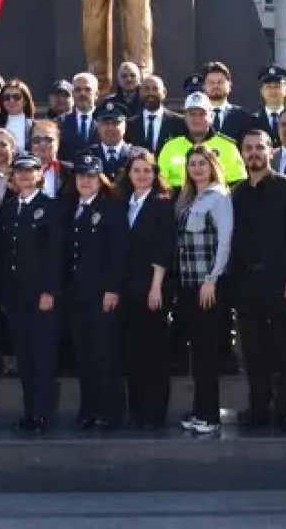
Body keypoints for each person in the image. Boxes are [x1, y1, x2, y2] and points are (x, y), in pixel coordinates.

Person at [230, 129, 286, 432]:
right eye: (247, 148)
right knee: (253, 351)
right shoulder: (236, 192)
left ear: (270, 151)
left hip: (280, 281)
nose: (253, 153)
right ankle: (259, 408)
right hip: (247, 283)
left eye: (259, 147)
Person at [0, 153, 64, 434]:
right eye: (19, 171)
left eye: (31, 171)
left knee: (43, 356)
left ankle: (42, 414)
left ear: (41, 174)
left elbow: (55, 254)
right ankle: (29, 412)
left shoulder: (51, 207)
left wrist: (49, 290)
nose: (24, 176)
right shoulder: (10, 207)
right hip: (16, 294)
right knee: (24, 357)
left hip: (41, 294)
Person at [63, 153, 128, 429]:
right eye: (81, 176)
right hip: (77, 294)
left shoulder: (111, 208)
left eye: (91, 176)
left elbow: (119, 253)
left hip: (103, 294)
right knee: (84, 354)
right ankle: (88, 409)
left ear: (100, 180)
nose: (85, 181)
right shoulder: (70, 208)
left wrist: (113, 288)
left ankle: (110, 411)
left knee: (105, 354)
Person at [173, 145, 234, 435]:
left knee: (207, 353)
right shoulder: (188, 198)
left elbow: (225, 240)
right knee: (197, 353)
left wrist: (213, 278)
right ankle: (199, 409)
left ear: (212, 166)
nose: (197, 168)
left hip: (207, 285)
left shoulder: (219, 197)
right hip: (187, 286)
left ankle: (210, 415)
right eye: (192, 163)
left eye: (202, 163)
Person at [116, 148, 175, 430]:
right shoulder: (124, 203)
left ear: (155, 175)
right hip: (128, 288)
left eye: (147, 171)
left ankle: (155, 413)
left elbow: (164, 249)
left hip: (151, 289)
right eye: (136, 170)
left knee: (154, 354)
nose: (141, 175)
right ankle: (137, 411)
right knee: (132, 353)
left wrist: (156, 288)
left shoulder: (162, 204)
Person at [158, 92, 246, 188]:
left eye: (202, 114)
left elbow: (239, 183)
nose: (197, 119)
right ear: (185, 117)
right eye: (192, 114)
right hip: (177, 200)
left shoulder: (229, 147)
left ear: (211, 116)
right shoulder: (170, 147)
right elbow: (160, 183)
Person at [126, 75, 184, 154]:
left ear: (164, 92)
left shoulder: (179, 122)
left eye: (155, 89)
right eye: (146, 89)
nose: (151, 93)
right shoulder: (130, 125)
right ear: (140, 92)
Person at [201, 61, 254, 141]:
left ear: (230, 85)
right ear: (204, 87)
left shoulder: (244, 117)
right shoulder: (196, 116)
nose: (216, 86)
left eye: (220, 82)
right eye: (211, 82)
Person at [0, 79, 36, 157]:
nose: (11, 100)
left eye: (17, 97)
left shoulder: (34, 126)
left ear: (25, 100)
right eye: (7, 97)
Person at [58, 73, 101, 160]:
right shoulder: (60, 123)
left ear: (96, 94)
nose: (82, 93)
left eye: (87, 89)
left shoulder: (106, 121)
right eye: (78, 90)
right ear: (73, 94)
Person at [89, 99, 132, 181]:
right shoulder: (88, 155)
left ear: (125, 126)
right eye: (105, 123)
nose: (110, 128)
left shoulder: (136, 155)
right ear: (98, 127)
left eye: (116, 123)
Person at [250, 64, 286, 146]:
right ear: (262, 91)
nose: (273, 90)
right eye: (268, 87)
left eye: (277, 86)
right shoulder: (252, 120)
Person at [31, 120, 72, 198]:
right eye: (37, 140)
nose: (42, 144)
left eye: (48, 140)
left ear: (58, 142)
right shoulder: (21, 171)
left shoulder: (71, 171)